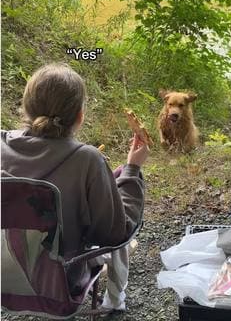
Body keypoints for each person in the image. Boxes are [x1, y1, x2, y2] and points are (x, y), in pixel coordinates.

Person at [1, 63, 149, 316]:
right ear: (80, 116)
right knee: (122, 231)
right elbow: (115, 234)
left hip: (3, 276)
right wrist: (132, 170)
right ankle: (115, 301)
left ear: (26, 107)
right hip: (59, 285)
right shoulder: (87, 159)